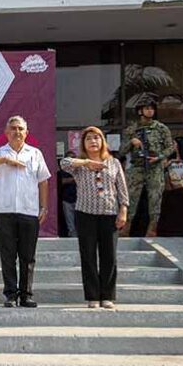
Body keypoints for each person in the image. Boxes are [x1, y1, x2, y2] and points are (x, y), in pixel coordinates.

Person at [0, 115, 50, 308]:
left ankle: (26, 295)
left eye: (20, 129)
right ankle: (10, 294)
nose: (17, 132)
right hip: (4, 211)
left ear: (26, 132)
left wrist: (44, 207)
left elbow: (43, 181)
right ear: (6, 132)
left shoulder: (35, 153)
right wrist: (5, 160)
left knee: (28, 257)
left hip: (29, 211)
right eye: (13, 128)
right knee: (8, 256)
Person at [60, 126, 129, 310]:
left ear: (102, 141)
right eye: (89, 138)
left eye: (97, 138)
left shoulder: (113, 162)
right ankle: (92, 296)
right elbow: (63, 163)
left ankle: (107, 296)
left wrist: (123, 210)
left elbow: (122, 188)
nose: (93, 141)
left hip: (109, 214)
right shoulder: (79, 164)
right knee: (88, 256)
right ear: (83, 143)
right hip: (85, 214)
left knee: (109, 256)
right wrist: (85, 163)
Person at [119, 98, 174, 237]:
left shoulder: (161, 128)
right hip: (137, 167)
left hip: (155, 167)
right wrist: (131, 142)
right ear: (140, 111)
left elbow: (170, 147)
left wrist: (159, 157)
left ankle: (152, 229)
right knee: (130, 198)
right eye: (147, 108)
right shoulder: (131, 129)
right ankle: (125, 228)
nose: (150, 111)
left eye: (152, 108)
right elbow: (121, 151)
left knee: (155, 199)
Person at [59, 151, 78, 237]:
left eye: (73, 158)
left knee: (79, 221)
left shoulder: (79, 170)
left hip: (79, 199)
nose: (71, 160)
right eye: (69, 158)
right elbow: (62, 181)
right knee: (70, 222)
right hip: (66, 199)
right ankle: (72, 236)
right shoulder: (63, 171)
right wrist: (74, 179)